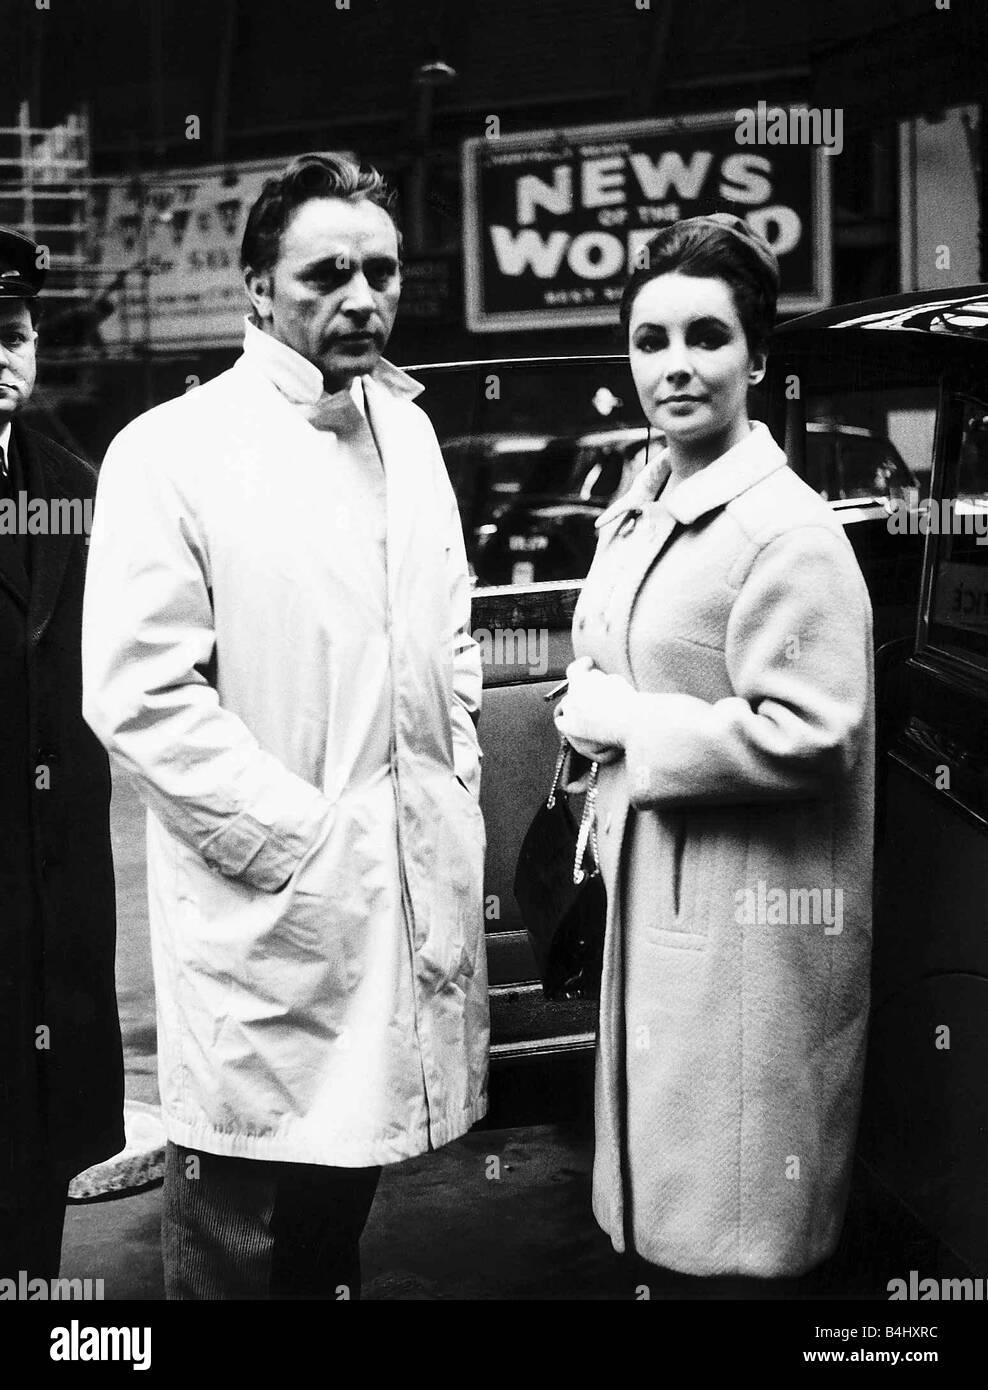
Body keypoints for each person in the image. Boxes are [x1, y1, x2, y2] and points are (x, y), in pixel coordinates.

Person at [81, 154, 488, 1300]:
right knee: (237, 1235)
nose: (362, 296)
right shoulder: (172, 451)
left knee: (333, 1220)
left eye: (382, 269)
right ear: (257, 287)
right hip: (265, 921)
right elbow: (142, 696)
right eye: (326, 273)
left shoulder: (407, 435)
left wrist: (450, 781)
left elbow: (449, 634)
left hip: (389, 897)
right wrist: (301, 847)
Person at [555, 214, 873, 1290]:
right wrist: (583, 707)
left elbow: (815, 733)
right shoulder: (639, 505)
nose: (675, 365)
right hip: (655, 913)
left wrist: (627, 726)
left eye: (706, 335)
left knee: (734, 1220)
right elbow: (613, 660)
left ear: (757, 354)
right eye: (650, 341)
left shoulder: (786, 532)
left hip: (747, 937)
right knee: (670, 1210)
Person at [0, 228, 124, 1281]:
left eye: (18, 334)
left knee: (37, 1163)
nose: (5, 355)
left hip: (50, 901)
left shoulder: (77, 486)